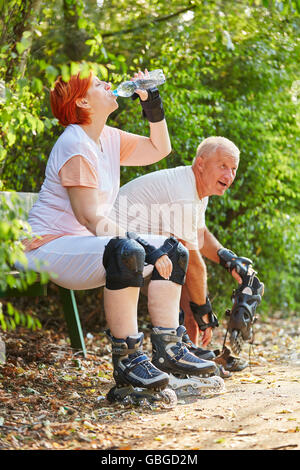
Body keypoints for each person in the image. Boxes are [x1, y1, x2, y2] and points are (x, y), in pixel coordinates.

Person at [16, 68, 220, 404]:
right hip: (49, 247)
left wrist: (151, 102)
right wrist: (143, 246)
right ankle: (128, 360)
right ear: (82, 100)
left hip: (86, 245)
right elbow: (90, 217)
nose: (109, 85)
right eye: (98, 84)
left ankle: (168, 350)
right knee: (129, 251)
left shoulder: (106, 138)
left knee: (175, 250)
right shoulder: (74, 144)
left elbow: (159, 148)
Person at [112, 136, 263, 372]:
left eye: (233, 169)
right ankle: (182, 356)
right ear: (201, 163)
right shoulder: (183, 192)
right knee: (185, 274)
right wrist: (205, 315)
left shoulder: (195, 189)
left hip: (139, 252)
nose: (229, 175)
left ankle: (187, 352)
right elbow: (193, 264)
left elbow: (199, 235)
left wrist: (228, 258)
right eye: (223, 166)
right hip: (117, 254)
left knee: (181, 271)